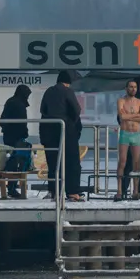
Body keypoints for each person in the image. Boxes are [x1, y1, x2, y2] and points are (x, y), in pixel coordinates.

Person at [40, 70, 84, 201]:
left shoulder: (48, 91)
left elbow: (43, 109)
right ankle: (73, 192)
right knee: (72, 162)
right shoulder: (67, 91)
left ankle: (53, 191)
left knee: (53, 163)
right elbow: (76, 110)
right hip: (66, 131)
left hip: (48, 131)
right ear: (68, 82)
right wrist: (73, 121)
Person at [114, 79, 140, 201]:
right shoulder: (121, 101)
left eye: (134, 87)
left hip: (136, 134)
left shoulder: (139, 102)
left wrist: (130, 116)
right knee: (122, 162)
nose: (133, 89)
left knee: (137, 163)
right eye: (130, 87)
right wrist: (136, 116)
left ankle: (135, 191)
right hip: (125, 133)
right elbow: (122, 116)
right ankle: (119, 190)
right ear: (126, 88)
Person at [0, 84, 32, 199]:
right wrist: (25, 133)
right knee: (17, 163)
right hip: (17, 138)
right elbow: (22, 123)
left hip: (8, 136)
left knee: (11, 161)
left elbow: (2, 119)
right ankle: (12, 188)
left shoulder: (10, 101)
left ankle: (10, 187)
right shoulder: (19, 104)